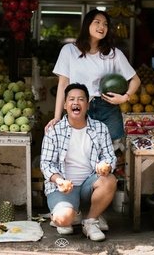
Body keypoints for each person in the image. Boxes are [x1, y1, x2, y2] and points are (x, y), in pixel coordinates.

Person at [45, 8, 141, 141]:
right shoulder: (69, 51)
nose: (102, 27)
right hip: (80, 107)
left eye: (105, 24)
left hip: (107, 108)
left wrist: (125, 97)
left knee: (113, 151)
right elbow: (63, 85)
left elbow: (135, 80)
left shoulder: (114, 54)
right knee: (81, 152)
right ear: (87, 25)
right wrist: (57, 116)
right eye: (97, 22)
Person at [40, 83, 117, 241]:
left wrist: (106, 166)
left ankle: (90, 221)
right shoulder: (54, 131)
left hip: (89, 184)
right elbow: (46, 164)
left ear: (87, 105)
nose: (76, 102)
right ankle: (71, 213)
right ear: (65, 105)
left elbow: (110, 156)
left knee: (109, 180)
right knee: (63, 220)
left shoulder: (100, 128)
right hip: (62, 186)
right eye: (72, 99)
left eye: (81, 99)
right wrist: (59, 180)